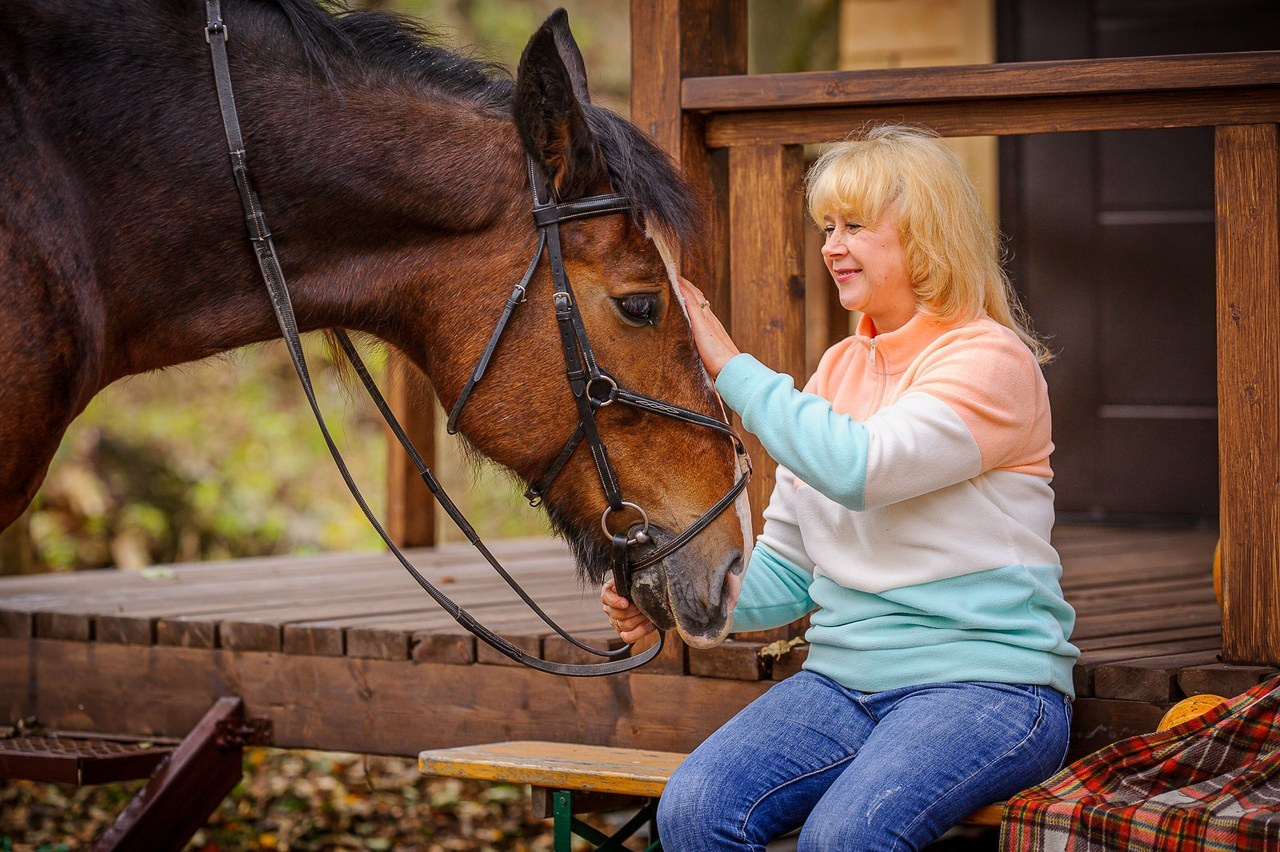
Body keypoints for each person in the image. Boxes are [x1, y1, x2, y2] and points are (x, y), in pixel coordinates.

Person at [601, 124, 1079, 850]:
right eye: (826, 226)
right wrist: (665, 597)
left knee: (844, 839)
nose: (832, 245)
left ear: (926, 237)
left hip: (988, 686)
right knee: (693, 809)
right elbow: (789, 574)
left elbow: (863, 469)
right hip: (842, 685)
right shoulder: (839, 372)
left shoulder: (991, 361)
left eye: (855, 226)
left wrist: (729, 365)